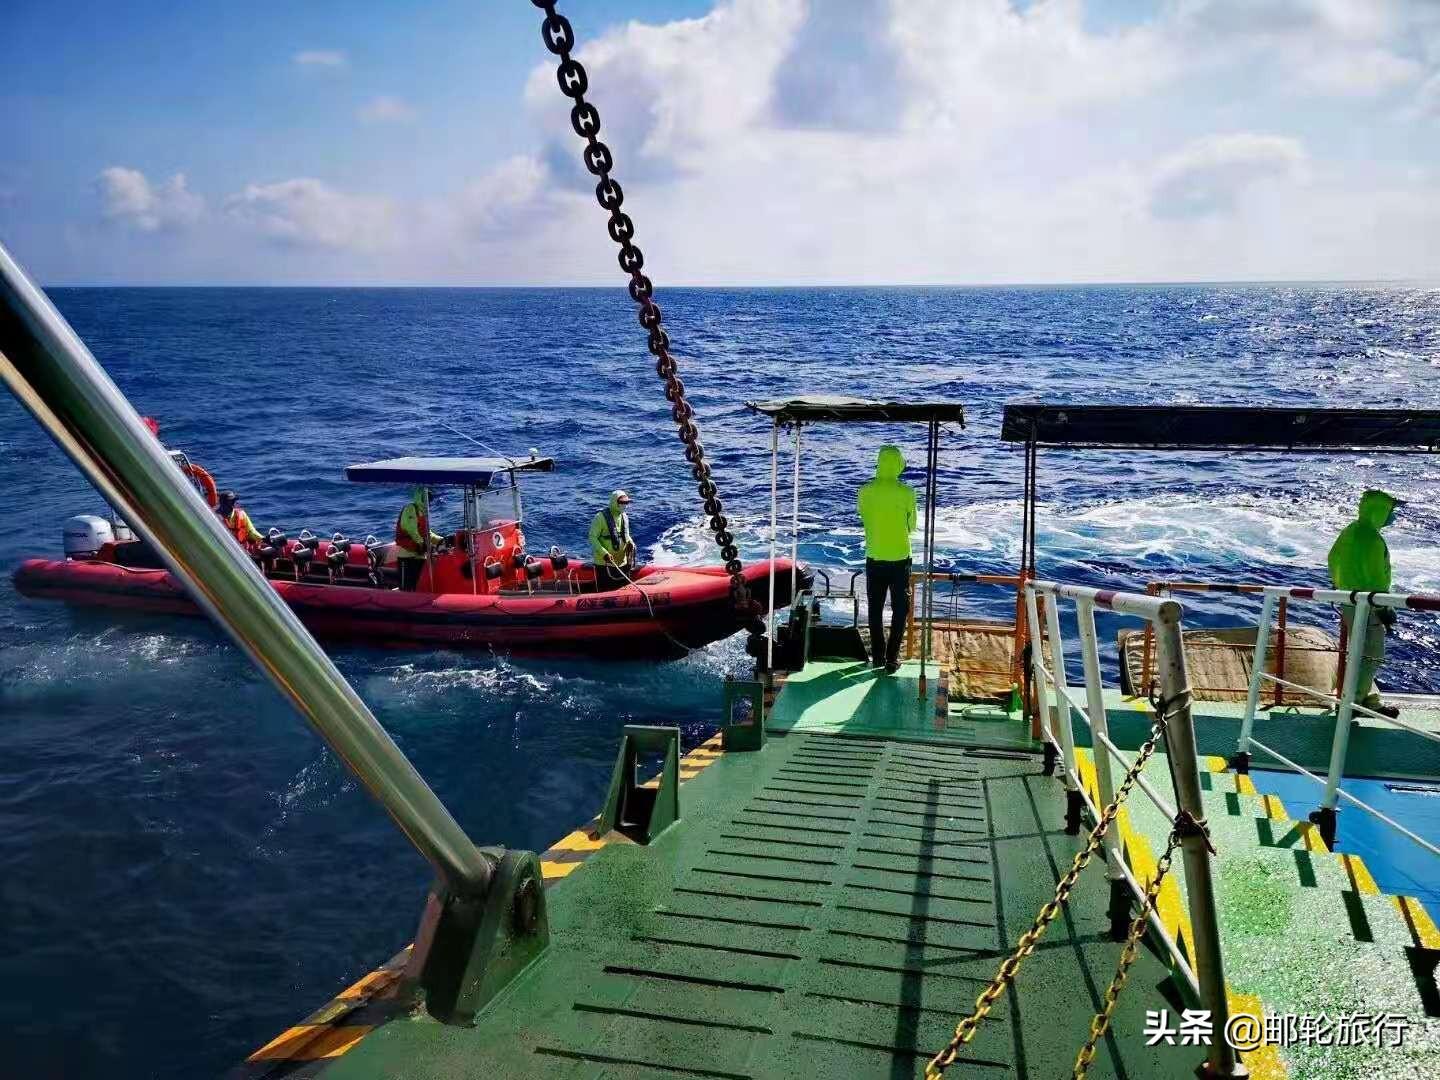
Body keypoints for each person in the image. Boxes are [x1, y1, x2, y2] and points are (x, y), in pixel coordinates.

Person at [1327, 489, 1404, 719]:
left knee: (1360, 654)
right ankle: (1353, 704)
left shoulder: (1350, 531)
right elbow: (1374, 579)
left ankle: (1367, 700)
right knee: (1371, 655)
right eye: (1391, 511)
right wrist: (1384, 609)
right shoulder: (1371, 539)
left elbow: (1333, 559)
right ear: (1379, 512)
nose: (1393, 515)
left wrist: (1339, 587)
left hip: (1349, 601)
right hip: (1368, 605)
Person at [858, 445, 917, 674]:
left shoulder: (864, 491)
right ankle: (893, 658)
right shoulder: (907, 493)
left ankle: (878, 657)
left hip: (874, 558)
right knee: (900, 610)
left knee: (875, 609)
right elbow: (912, 527)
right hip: (900, 559)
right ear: (899, 465)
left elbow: (863, 516)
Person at [394, 486, 444, 591]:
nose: (429, 501)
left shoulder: (423, 513)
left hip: (421, 557)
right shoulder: (410, 509)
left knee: (419, 586)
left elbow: (427, 533)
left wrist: (440, 540)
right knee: (406, 588)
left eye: (430, 498)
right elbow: (411, 529)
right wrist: (422, 544)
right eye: (426, 498)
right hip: (407, 557)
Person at [589, 489, 636, 591]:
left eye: (627, 503)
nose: (625, 505)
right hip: (604, 563)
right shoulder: (600, 518)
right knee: (606, 591)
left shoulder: (624, 517)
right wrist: (604, 553)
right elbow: (592, 537)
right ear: (615, 502)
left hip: (622, 562)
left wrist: (631, 543)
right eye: (622, 503)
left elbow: (626, 535)